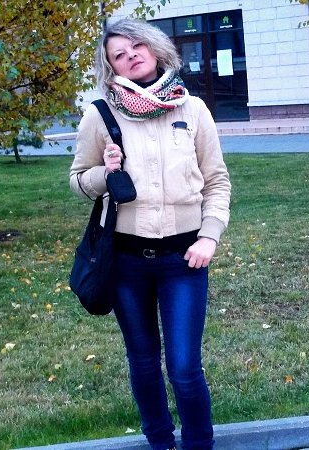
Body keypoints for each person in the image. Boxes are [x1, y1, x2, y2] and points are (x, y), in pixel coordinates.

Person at [69, 18, 231, 450]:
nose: (131, 56)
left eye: (136, 46)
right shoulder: (100, 114)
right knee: (143, 361)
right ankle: (160, 442)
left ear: (155, 48)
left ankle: (198, 444)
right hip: (126, 262)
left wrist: (209, 236)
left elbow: (217, 181)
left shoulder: (192, 109)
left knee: (184, 368)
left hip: (184, 260)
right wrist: (105, 173)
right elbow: (78, 180)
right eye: (119, 55)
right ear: (111, 67)